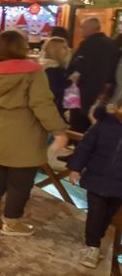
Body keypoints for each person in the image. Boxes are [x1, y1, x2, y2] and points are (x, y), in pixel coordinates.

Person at [0, 31, 69, 236]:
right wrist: (58, 130)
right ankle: (12, 221)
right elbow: (41, 103)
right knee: (21, 180)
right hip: (24, 133)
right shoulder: (33, 72)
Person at [66, 102, 122, 269]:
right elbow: (86, 146)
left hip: (119, 185)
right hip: (97, 178)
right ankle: (92, 246)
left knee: (107, 215)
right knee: (96, 213)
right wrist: (75, 167)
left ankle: (96, 241)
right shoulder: (105, 124)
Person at [68, 18, 119, 132]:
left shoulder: (87, 45)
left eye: (82, 27)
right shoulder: (112, 45)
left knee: (78, 128)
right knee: (97, 128)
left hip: (82, 93)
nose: (80, 30)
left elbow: (75, 67)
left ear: (90, 28)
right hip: (104, 94)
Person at [40, 37, 72, 116]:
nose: (68, 50)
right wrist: (71, 81)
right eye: (64, 47)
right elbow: (54, 89)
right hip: (55, 109)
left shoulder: (48, 66)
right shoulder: (52, 69)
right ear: (56, 50)